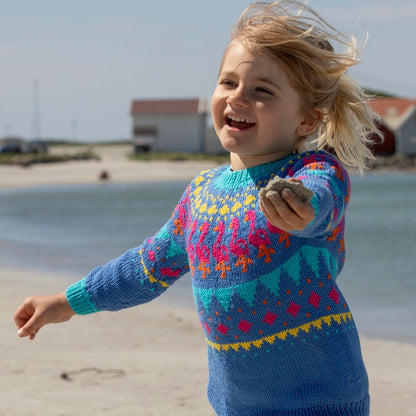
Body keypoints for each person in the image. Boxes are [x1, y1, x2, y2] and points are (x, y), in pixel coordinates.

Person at [14, 1, 381, 415]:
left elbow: (323, 201)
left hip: (323, 397)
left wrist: (303, 204)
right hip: (237, 405)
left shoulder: (313, 172)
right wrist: (66, 301)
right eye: (228, 82)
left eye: (263, 91)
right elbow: (144, 268)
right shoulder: (201, 196)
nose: (238, 97)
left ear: (307, 121)